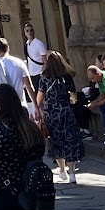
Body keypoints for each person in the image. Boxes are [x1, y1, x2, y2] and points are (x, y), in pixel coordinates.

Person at [36, 51, 83, 184]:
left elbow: (39, 98)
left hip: (51, 113)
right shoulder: (67, 77)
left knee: (56, 141)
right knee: (70, 140)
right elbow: (73, 97)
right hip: (66, 111)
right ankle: (72, 173)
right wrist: (70, 100)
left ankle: (62, 170)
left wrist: (40, 110)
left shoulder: (44, 77)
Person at [22, 26, 47, 93]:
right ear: (25, 33)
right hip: (31, 75)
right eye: (27, 31)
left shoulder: (39, 44)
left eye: (31, 30)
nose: (29, 32)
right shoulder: (26, 45)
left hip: (40, 74)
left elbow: (45, 61)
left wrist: (42, 73)